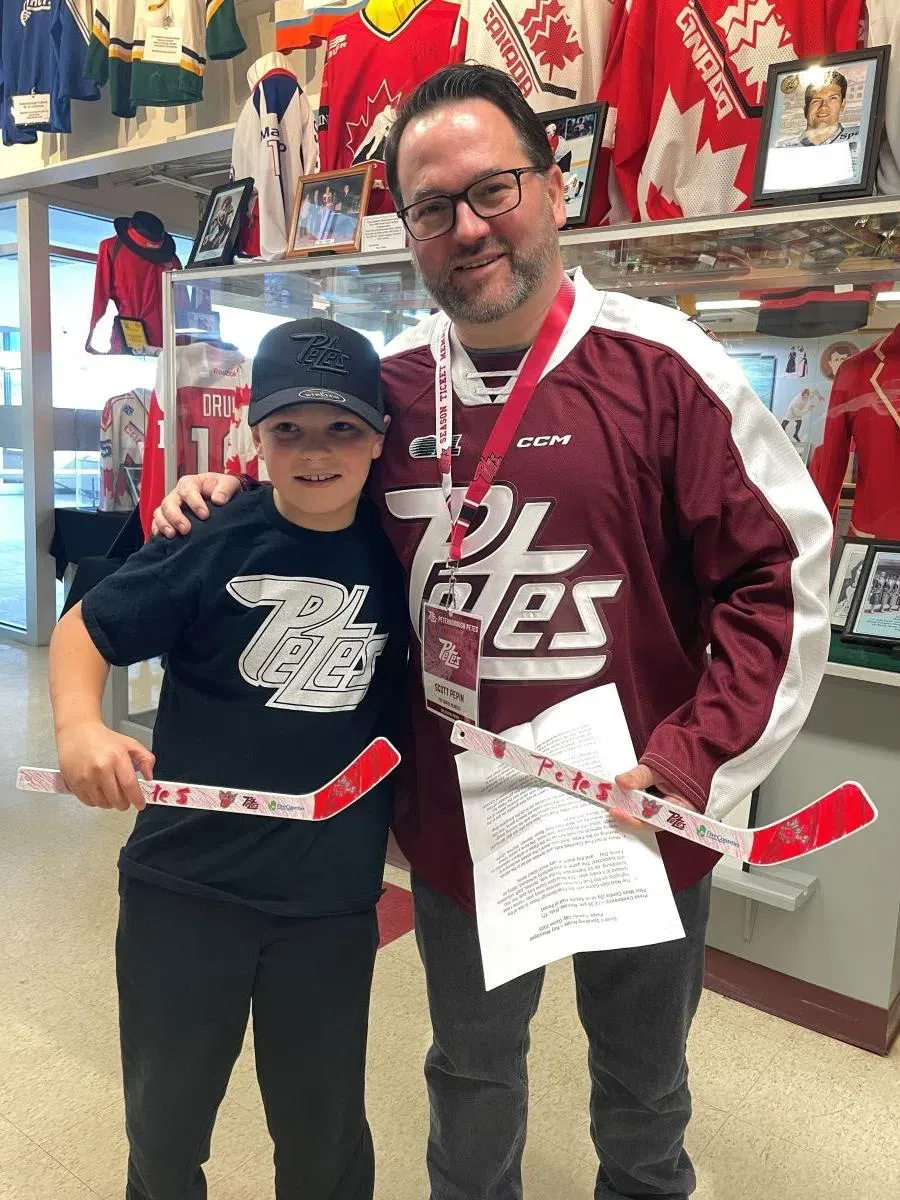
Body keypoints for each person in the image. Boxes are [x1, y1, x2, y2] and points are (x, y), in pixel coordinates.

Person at [153, 64, 833, 1200]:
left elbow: (785, 580)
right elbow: (300, 502)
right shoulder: (390, 391)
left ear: (554, 188)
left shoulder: (671, 370)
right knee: (471, 1077)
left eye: (492, 189)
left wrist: (694, 757)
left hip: (643, 810)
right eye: (431, 206)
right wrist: (204, 503)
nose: (466, 227)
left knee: (646, 1089)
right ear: (407, 230)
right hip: (466, 821)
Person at [50, 317, 408, 1200]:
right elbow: (84, 629)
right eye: (288, 430)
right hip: (186, 890)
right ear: (255, 435)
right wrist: (78, 730)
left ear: (380, 441)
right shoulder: (210, 534)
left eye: (342, 430)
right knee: (165, 1132)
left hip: (327, 903)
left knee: (323, 1139)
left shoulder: (407, 550)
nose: (315, 453)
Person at [776, 71, 859, 176]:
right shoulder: (781, 151)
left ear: (842, 104)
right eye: (816, 101)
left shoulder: (862, 136)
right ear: (806, 109)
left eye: (833, 98)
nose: (824, 106)